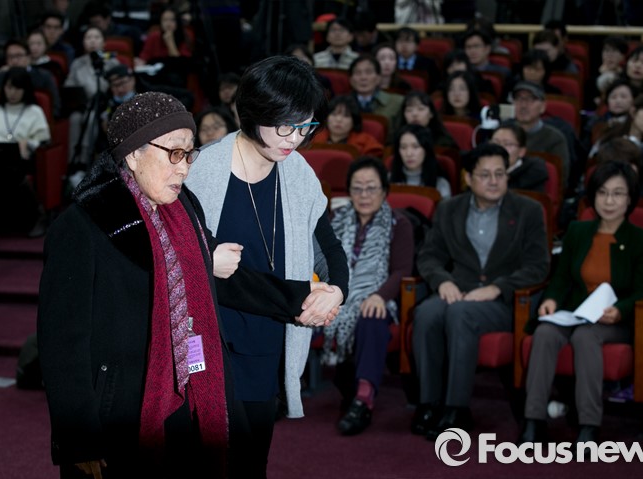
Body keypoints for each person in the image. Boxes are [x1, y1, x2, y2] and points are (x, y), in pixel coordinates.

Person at [37, 91, 339, 479]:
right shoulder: (84, 225)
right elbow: (63, 343)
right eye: (174, 154)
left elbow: (223, 281)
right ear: (133, 154)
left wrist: (297, 299)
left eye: (189, 154)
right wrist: (79, 437)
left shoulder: (184, 209)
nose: (184, 168)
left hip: (189, 392)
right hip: (119, 412)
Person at [184, 56, 349, 478]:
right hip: (208, 338)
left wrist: (335, 291)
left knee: (252, 462)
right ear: (254, 113)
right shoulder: (200, 172)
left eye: (306, 127)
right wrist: (297, 300)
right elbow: (183, 264)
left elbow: (328, 249)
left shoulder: (298, 173)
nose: (295, 139)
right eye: (285, 126)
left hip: (267, 339)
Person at [410, 142, 549, 440]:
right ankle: (429, 403)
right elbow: (429, 256)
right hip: (458, 290)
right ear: (468, 178)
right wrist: (442, 281)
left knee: (461, 314)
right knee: (426, 313)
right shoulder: (450, 209)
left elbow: (538, 266)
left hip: (503, 302)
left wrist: (498, 287)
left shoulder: (528, 210)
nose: (494, 181)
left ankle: (457, 408)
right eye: (485, 175)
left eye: (500, 173)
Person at [519, 161, 643, 444]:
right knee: (544, 332)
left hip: (614, 320)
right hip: (574, 313)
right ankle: (534, 420)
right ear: (593, 196)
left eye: (617, 194)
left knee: (585, 336)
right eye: (602, 193)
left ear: (630, 198)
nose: (609, 201)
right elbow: (561, 278)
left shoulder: (642, 240)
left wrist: (619, 311)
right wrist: (551, 300)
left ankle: (589, 426)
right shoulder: (578, 231)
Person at [326, 157, 414, 435]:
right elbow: (323, 262)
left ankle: (363, 401)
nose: (364, 195)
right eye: (357, 188)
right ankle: (281, 392)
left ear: (384, 191)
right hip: (337, 295)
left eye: (371, 188)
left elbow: (402, 270)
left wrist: (379, 296)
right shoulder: (336, 221)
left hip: (382, 298)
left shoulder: (398, 224)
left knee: (371, 316)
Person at [0, 67, 52, 237]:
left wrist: (27, 144)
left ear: (25, 89)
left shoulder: (34, 111)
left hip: (24, 160)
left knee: (11, 170)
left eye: (17, 88)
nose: (12, 93)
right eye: (9, 87)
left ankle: (38, 215)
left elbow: (43, 140)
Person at [64, 26, 121, 167]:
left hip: (105, 106)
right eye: (88, 38)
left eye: (96, 37)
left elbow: (118, 86)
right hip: (84, 106)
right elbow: (69, 88)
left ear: (103, 42)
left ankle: (85, 161)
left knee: (90, 119)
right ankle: (73, 163)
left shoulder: (112, 62)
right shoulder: (77, 64)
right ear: (83, 42)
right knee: (74, 118)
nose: (92, 41)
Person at [510, 80, 570, 187]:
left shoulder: (555, 139)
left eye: (530, 99)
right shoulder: (502, 133)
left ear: (543, 106)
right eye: (519, 99)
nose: (523, 105)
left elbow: (560, 181)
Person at [0, 39, 61, 120]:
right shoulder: (1, 77)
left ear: (29, 57)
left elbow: (55, 106)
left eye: (18, 56)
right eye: (10, 57)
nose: (14, 61)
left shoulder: (44, 76)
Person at [348, 55, 404, 140]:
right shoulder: (341, 104)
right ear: (351, 80)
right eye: (358, 73)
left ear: (378, 78)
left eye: (368, 72)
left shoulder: (397, 102)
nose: (363, 78)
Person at [390, 124, 452, 199]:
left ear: (426, 150)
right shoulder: (387, 180)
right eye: (403, 147)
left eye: (415, 147)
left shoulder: (441, 185)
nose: (409, 153)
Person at [311, 95, 384, 157]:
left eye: (346, 116)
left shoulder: (366, 142)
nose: (338, 119)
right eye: (334, 114)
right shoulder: (313, 138)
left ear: (354, 120)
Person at [490, 123, 548, 193]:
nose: (499, 148)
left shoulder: (532, 174)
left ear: (521, 151)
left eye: (507, 144)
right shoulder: (480, 169)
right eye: (495, 142)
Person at [393, 26, 440, 92]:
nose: (404, 45)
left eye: (408, 41)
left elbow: (435, 86)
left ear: (417, 46)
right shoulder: (391, 62)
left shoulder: (428, 64)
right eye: (400, 41)